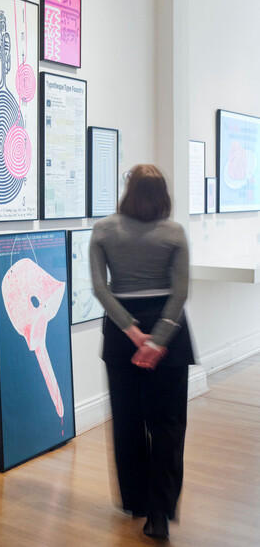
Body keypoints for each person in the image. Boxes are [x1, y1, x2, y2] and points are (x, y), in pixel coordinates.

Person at [89, 164, 194, 541]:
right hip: (170, 334)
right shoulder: (174, 232)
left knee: (128, 421)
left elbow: (101, 289)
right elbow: (180, 293)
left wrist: (134, 334)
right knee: (167, 425)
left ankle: (136, 501)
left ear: (128, 191)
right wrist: (157, 339)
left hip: (121, 336)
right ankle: (159, 514)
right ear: (163, 193)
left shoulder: (103, 230)